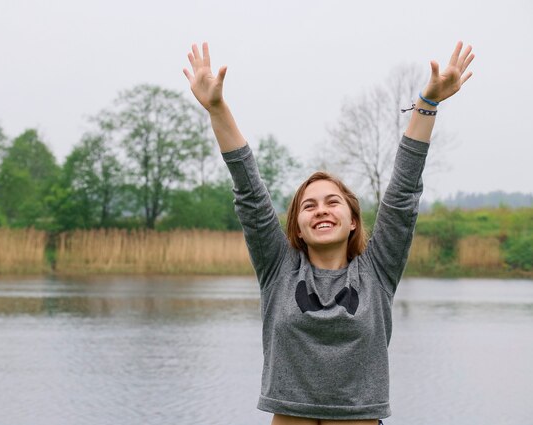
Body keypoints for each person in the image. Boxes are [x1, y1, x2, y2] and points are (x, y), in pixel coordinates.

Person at [183, 42, 474, 425]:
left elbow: (403, 193)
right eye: (309, 205)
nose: (321, 209)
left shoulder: (377, 272)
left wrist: (429, 103)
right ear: (298, 229)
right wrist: (217, 108)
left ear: (353, 219)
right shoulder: (278, 270)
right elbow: (249, 192)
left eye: (332, 202)